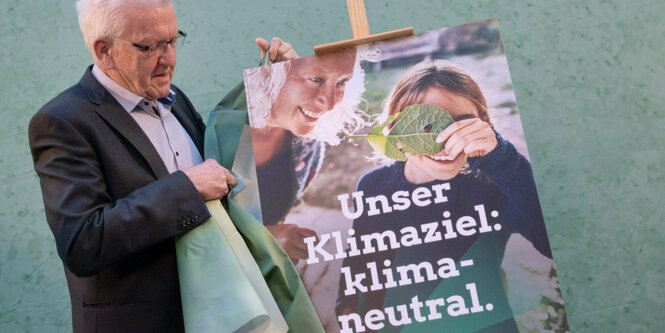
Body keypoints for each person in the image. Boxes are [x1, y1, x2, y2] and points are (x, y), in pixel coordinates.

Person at [28, 0, 297, 331]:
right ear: (104, 51)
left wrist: (273, 89)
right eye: (149, 47)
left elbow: (219, 181)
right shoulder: (62, 122)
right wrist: (187, 187)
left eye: (172, 40)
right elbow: (82, 243)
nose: (168, 58)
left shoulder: (176, 99)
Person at [336, 60, 553, 332]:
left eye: (462, 125)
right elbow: (360, 263)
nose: (446, 141)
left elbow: (551, 241)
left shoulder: (494, 185)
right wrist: (346, 309)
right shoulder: (373, 186)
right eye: (426, 126)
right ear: (396, 133)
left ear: (483, 126)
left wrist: (501, 159)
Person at [243, 49, 367, 263]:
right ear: (269, 75)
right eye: (316, 79)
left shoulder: (308, 144)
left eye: (342, 82)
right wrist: (267, 239)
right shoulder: (218, 128)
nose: (329, 103)